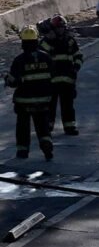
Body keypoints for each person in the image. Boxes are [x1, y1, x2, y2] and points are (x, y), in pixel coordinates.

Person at [5, 26, 54, 160]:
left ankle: (23, 151)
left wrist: (7, 79)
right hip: (43, 99)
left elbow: (14, 82)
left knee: (23, 126)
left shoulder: (19, 60)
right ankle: (46, 144)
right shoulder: (46, 57)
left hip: (24, 101)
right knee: (42, 125)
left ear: (23, 42)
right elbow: (53, 76)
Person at [39, 15, 84, 136]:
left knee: (68, 105)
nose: (61, 30)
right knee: (50, 106)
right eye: (58, 28)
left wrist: (76, 67)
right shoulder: (46, 42)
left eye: (62, 27)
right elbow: (41, 59)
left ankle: (70, 127)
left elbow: (78, 56)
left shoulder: (70, 41)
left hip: (67, 80)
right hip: (50, 81)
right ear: (53, 29)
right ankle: (48, 127)